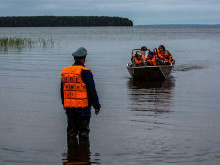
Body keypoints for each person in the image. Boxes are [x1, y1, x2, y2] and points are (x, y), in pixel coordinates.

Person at [61, 47, 101, 141]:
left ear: (74, 58)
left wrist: (64, 103)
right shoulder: (85, 72)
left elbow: (62, 90)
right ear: (84, 58)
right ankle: (84, 155)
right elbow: (91, 90)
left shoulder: (65, 71)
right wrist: (97, 106)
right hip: (83, 108)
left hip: (70, 108)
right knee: (83, 134)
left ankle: (72, 154)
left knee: (71, 133)